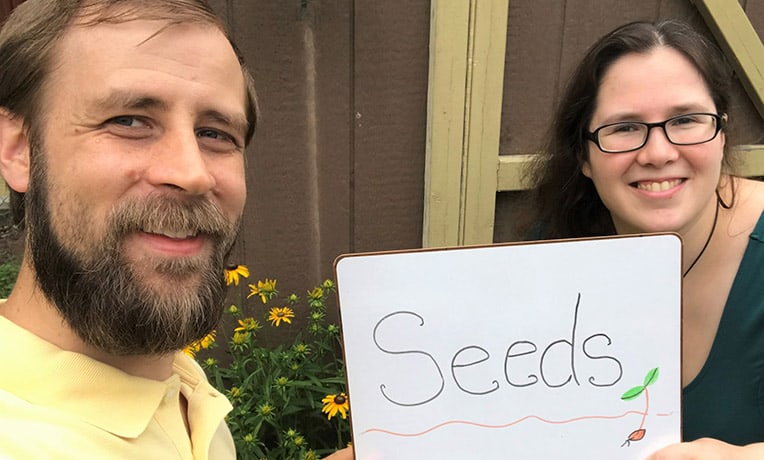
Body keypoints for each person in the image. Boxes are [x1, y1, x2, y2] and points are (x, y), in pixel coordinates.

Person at [0, 1, 352, 458]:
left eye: (215, 133)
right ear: (18, 149)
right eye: (128, 121)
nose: (193, 174)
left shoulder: (177, 382)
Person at [520, 19, 764, 458]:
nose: (658, 153)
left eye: (686, 119)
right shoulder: (557, 247)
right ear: (584, 156)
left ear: (722, 132)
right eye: (625, 127)